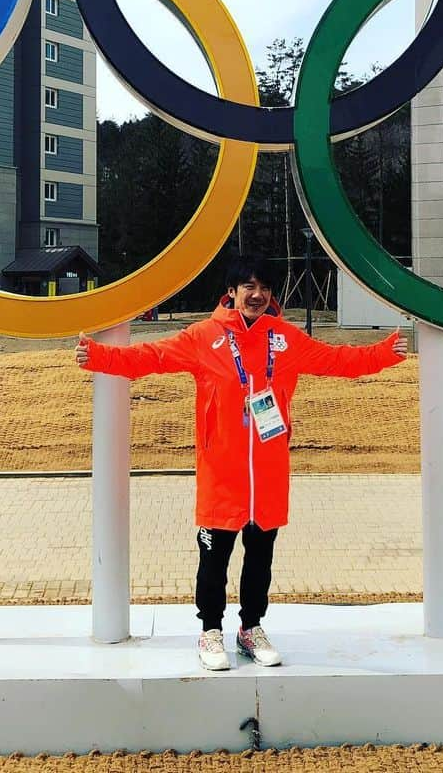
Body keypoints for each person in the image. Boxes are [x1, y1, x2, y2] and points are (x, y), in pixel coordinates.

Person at [76, 254, 407, 672]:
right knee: (213, 560)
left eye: (264, 287)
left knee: (260, 561)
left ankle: (251, 628)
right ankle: (210, 631)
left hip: (268, 475)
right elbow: (151, 357)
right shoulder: (205, 337)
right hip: (222, 474)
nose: (257, 294)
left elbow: (338, 361)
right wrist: (100, 357)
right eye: (248, 286)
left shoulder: (284, 339)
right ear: (231, 292)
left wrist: (384, 352)